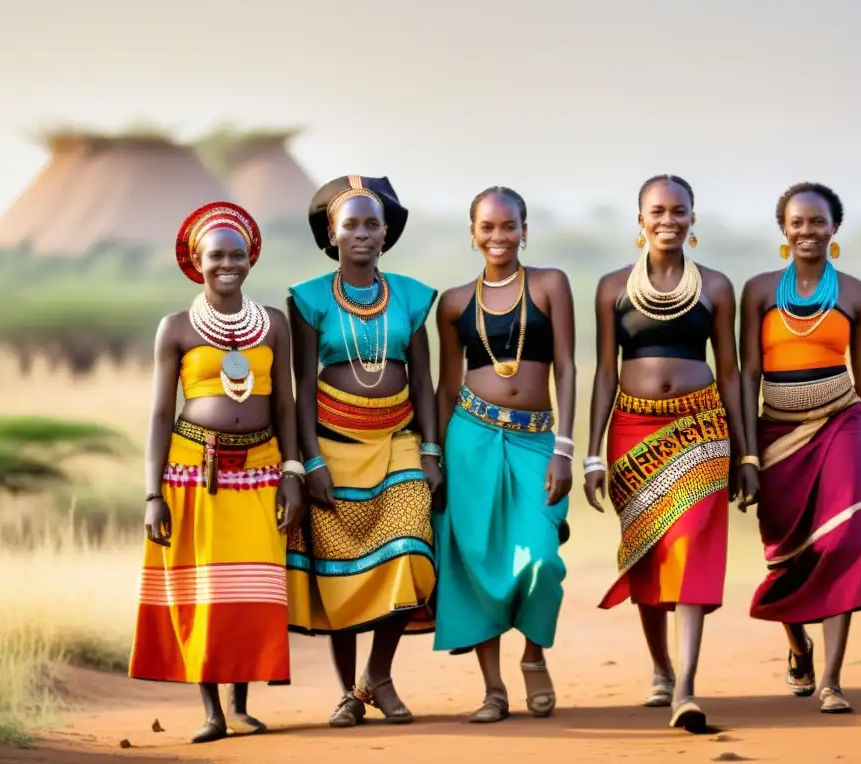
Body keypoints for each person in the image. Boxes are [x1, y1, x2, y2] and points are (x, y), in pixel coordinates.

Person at [129, 201, 304, 744]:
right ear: (195, 260)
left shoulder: (273, 323)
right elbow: (161, 412)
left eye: (236, 254)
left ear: (249, 258)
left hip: (260, 468)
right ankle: (211, 711)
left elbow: (286, 407)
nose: (227, 264)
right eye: (215, 256)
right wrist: (151, 494)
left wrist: (293, 473)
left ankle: (242, 703)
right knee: (203, 589)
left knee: (253, 589)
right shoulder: (176, 328)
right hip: (192, 471)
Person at [584, 175, 752, 733]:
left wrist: (746, 454)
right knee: (648, 553)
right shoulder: (611, 287)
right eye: (657, 211)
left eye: (679, 211)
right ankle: (659, 668)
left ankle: (685, 684)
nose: (668, 220)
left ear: (692, 218)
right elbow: (605, 372)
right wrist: (591, 454)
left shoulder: (718, 287)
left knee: (690, 551)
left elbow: (730, 374)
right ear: (640, 219)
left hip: (701, 427)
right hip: (632, 431)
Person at [738, 182, 861, 714]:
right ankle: (798, 647)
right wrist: (746, 455)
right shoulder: (760, 291)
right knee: (784, 555)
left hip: (841, 423)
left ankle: (832, 680)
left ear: (835, 228)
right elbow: (746, 378)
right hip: (777, 435)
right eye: (797, 222)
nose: (807, 231)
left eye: (818, 222)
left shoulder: (856, 294)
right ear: (783, 230)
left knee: (844, 543)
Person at [284, 175, 442, 727]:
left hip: (398, 440)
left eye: (372, 224)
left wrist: (430, 450)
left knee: (408, 549)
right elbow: (301, 385)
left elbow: (424, 379)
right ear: (332, 232)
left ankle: (378, 674)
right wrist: (310, 460)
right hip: (332, 445)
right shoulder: (307, 300)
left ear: (385, 233)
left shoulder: (412, 296)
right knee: (341, 572)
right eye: (349, 224)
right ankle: (346, 695)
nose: (362, 233)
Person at [433, 186, 576, 723]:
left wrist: (563, 447)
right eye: (487, 227)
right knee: (478, 562)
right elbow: (446, 385)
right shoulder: (452, 303)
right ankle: (493, 689)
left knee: (541, 558)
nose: (499, 236)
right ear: (473, 234)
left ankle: (534, 655)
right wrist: (436, 456)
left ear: (524, 228)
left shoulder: (549, 284)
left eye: (508, 226)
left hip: (537, 439)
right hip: (469, 439)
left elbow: (567, 367)